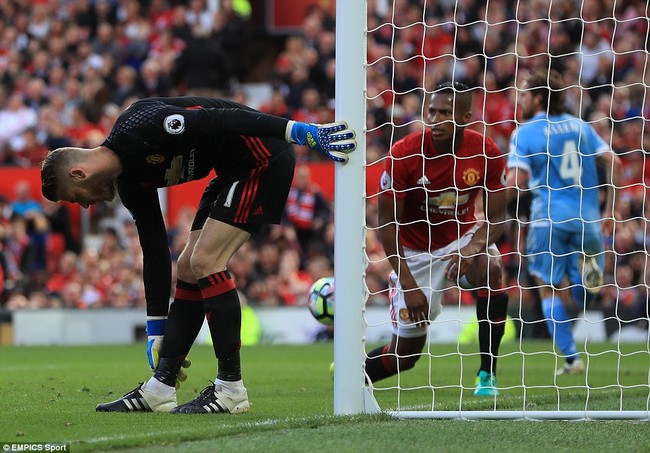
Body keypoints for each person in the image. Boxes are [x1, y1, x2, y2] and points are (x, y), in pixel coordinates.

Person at [40, 96, 356, 413]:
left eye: (74, 198)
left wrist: (299, 131)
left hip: (262, 158)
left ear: (78, 174)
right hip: (231, 170)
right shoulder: (130, 183)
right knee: (189, 266)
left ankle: (230, 389)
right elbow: (154, 250)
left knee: (205, 261)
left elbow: (224, 119)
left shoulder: (139, 127)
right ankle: (160, 388)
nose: (84, 206)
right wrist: (156, 330)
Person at [365, 81, 510, 396]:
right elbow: (386, 223)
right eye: (431, 111)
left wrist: (471, 249)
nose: (436, 118)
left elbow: (499, 217)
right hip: (414, 252)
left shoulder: (485, 150)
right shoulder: (404, 154)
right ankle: (353, 372)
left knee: (491, 268)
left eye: (445, 112)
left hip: (462, 237)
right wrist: (408, 282)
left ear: (465, 116)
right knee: (406, 355)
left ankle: (487, 375)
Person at [506, 69, 622, 375]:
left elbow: (516, 183)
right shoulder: (581, 127)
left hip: (547, 221)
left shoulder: (524, 133)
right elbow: (614, 161)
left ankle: (572, 359)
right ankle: (589, 284)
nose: (519, 101)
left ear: (539, 97)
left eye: (524, 95)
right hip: (588, 220)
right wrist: (611, 209)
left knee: (548, 289)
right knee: (586, 287)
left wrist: (488, 200)